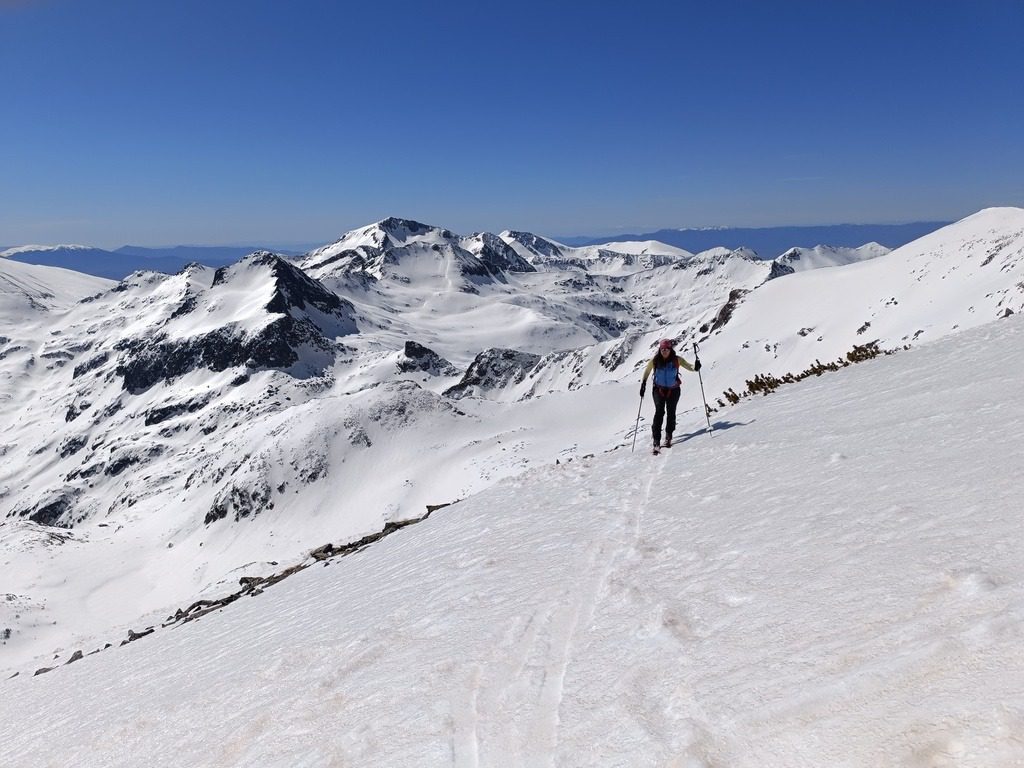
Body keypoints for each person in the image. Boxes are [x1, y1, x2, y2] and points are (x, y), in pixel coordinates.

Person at [640, 339, 701, 451]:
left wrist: (696, 367)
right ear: (660, 349)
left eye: (666, 349)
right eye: (662, 349)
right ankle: (656, 439)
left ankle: (668, 435)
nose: (664, 351)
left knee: (671, 412)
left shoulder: (677, 360)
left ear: (670, 349)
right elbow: (647, 371)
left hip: (674, 390)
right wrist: (643, 383)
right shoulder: (655, 360)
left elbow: (689, 366)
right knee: (659, 412)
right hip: (658, 390)